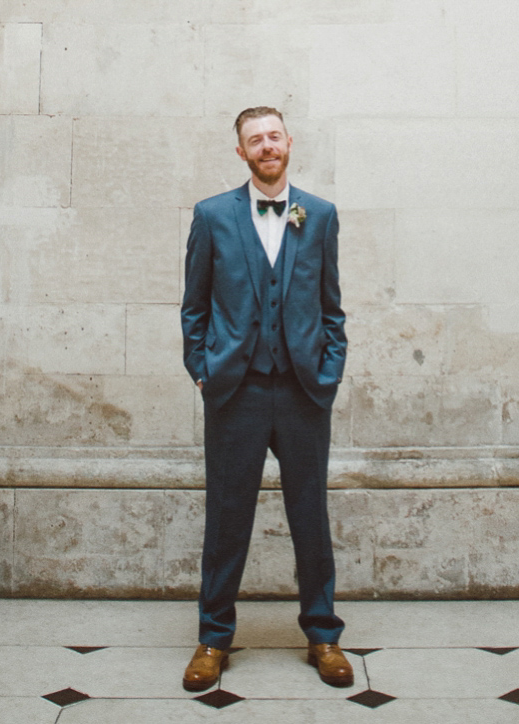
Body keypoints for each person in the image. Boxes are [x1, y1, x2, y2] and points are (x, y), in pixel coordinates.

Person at [180, 107, 352, 692]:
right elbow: (194, 306)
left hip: (304, 391)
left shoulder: (320, 215)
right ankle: (213, 638)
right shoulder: (211, 216)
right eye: (255, 140)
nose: (266, 146)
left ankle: (323, 636)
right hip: (236, 391)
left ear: (289, 142)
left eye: (274, 136)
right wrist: (202, 370)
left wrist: (328, 375)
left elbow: (331, 307)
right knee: (227, 518)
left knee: (311, 517)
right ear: (241, 152)